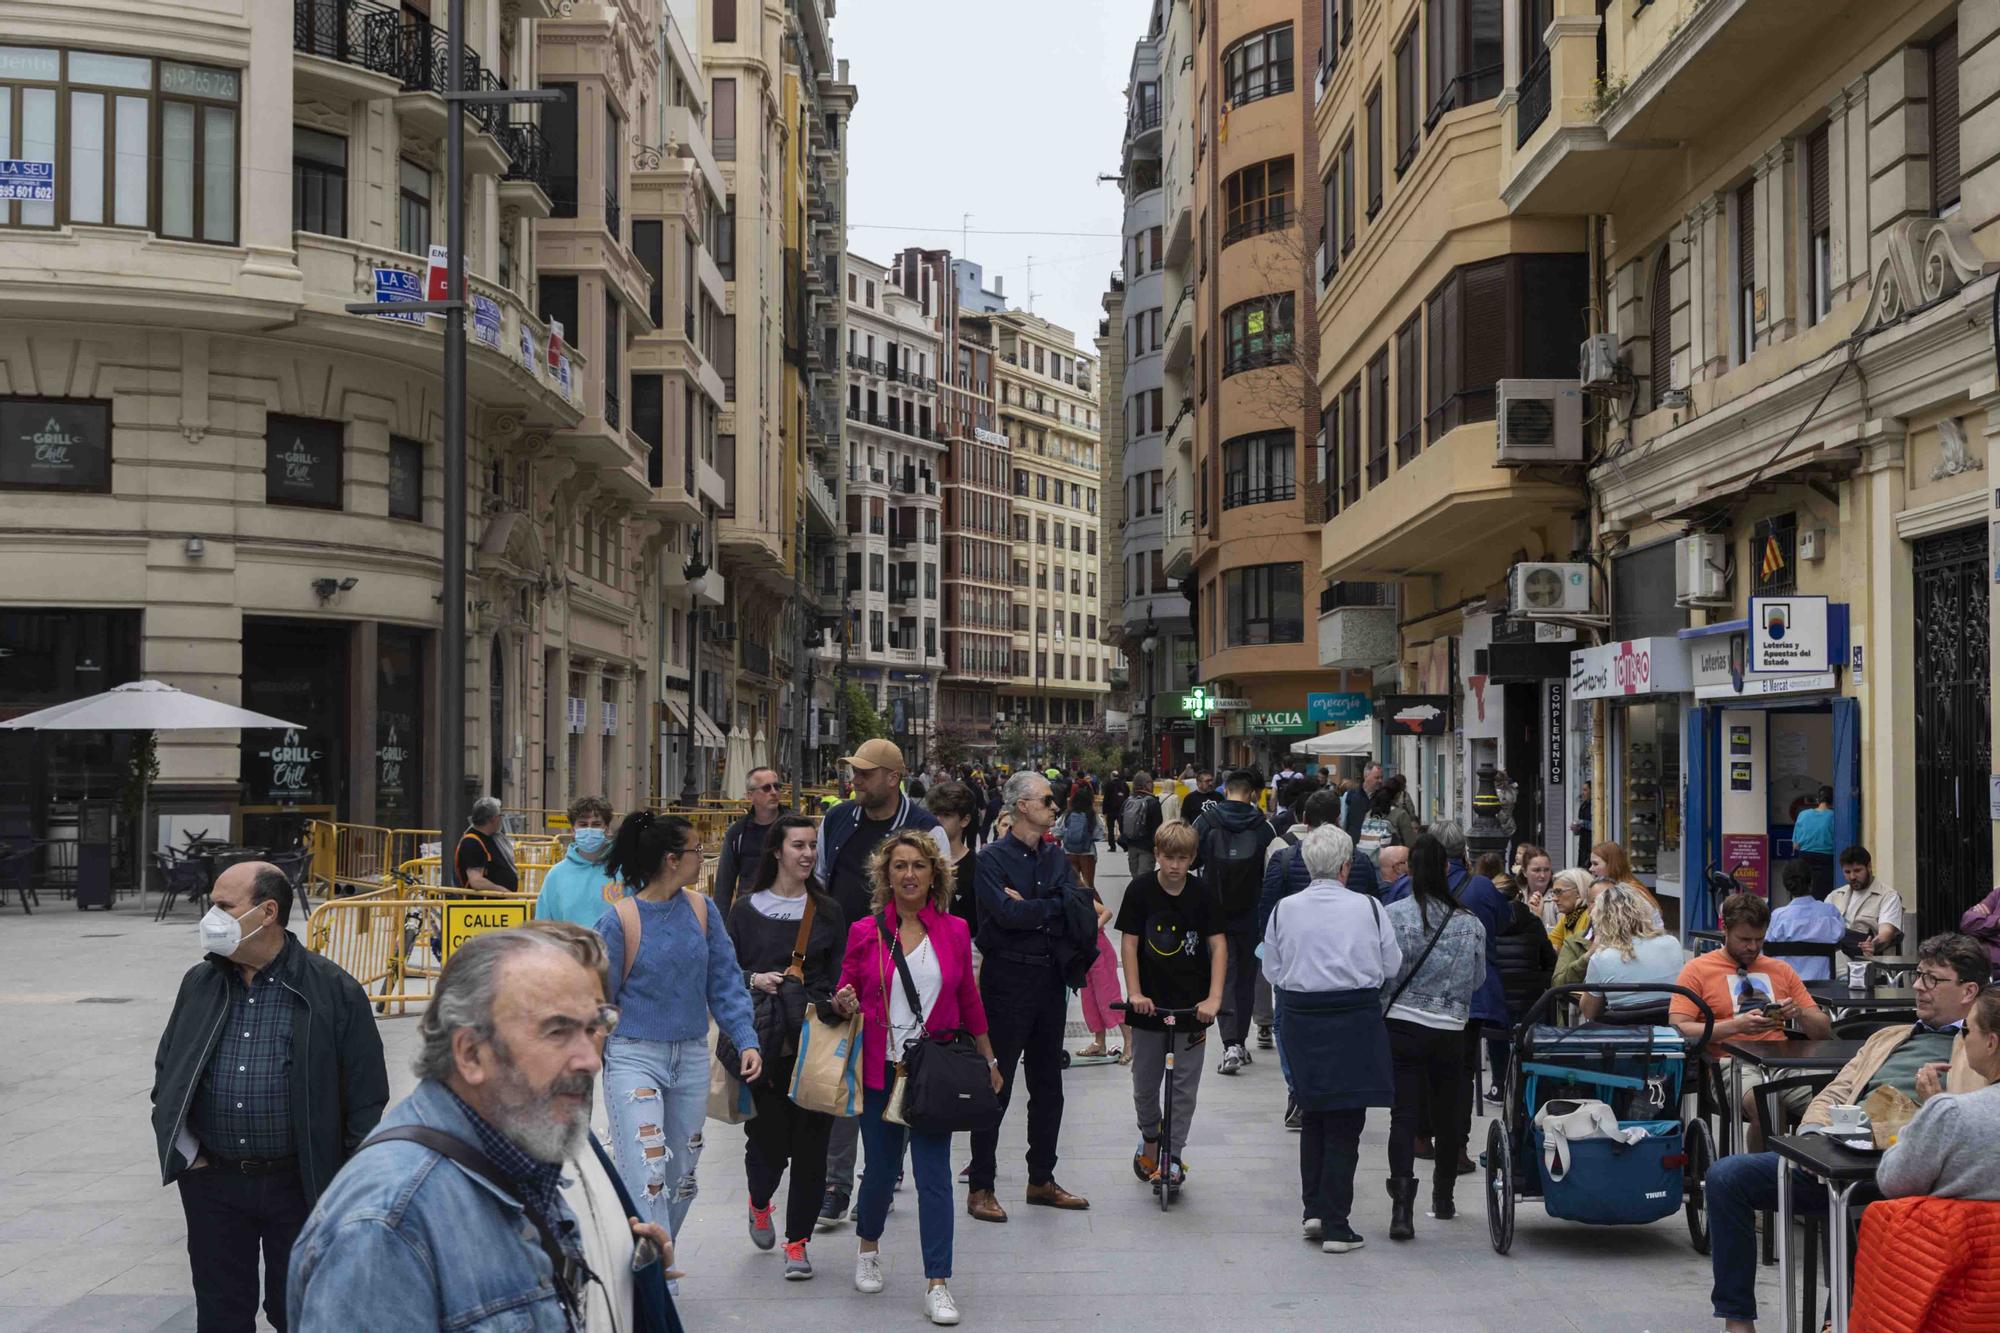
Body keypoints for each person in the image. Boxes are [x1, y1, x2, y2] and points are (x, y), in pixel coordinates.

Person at [288, 922, 673, 1333]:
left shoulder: (527, 1142)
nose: (590, 1060)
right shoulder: (382, 1229)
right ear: (471, 1053)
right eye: (557, 1031)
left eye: (596, 1027)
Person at [1701, 934, 1994, 1331]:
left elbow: (1969, 1122)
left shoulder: (1982, 1047)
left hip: (1908, 1174)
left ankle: (1836, 1322)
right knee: (1726, 1176)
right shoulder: (1887, 1037)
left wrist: (1932, 1106)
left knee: (1867, 1215)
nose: (1919, 987)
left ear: (1968, 990)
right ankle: (1738, 1320)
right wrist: (1814, 1134)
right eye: (1919, 976)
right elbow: (1835, 1091)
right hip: (1837, 1156)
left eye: (1932, 979)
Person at [152, 862, 387, 1333]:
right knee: (221, 1313)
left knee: (298, 1310)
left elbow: (366, 1099)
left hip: (298, 1185)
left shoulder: (333, 990)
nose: (210, 917)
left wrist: (339, 1184)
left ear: (267, 912)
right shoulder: (200, 983)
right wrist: (189, 1156)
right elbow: (168, 1072)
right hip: (214, 1183)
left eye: (223, 906)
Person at [827, 831, 998, 1326]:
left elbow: (969, 999)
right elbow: (846, 987)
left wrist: (988, 1059)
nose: (908, 874)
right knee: (880, 1171)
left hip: (932, 1070)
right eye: (899, 866)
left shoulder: (955, 931)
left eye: (918, 866)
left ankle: (938, 1282)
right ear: (886, 875)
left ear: (933, 874)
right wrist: (844, 1000)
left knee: (935, 1178)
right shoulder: (866, 931)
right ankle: (867, 1248)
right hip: (880, 1069)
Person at [595, 812, 762, 1250]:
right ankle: (660, 1276)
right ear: (672, 859)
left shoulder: (702, 911)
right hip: (633, 1056)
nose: (701, 857)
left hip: (689, 1056)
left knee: (682, 1174)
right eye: (695, 851)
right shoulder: (619, 921)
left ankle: (646, 1251)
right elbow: (595, 1000)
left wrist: (744, 1037)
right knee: (648, 1171)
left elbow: (725, 980)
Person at [812, 738, 948, 1226]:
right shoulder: (838, 820)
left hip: (907, 973)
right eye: (855, 772)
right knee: (846, 1078)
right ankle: (837, 1183)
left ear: (893, 777)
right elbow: (822, 884)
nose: (857, 781)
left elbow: (943, 900)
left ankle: (884, 1173)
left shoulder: (926, 828)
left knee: (898, 1075)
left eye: (866, 774)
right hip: (848, 967)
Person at [1263, 825, 1402, 1254]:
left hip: (1303, 1017)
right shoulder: (1370, 907)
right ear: (1346, 867)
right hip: (1354, 1016)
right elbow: (1391, 965)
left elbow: (1271, 967)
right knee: (1346, 1120)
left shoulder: (1284, 909)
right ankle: (1337, 1224)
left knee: (1314, 1113)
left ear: (1306, 866)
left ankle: (1314, 1210)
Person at [964, 770, 1091, 1222]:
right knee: (996, 1085)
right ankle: (981, 1186)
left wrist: (1035, 909)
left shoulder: (1055, 857)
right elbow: (1002, 916)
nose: (1055, 807)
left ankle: (1042, 1179)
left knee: (1048, 1086)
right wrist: (1046, 909)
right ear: (1021, 806)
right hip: (1007, 982)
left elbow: (1077, 906)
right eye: (1046, 800)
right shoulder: (991, 859)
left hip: (1049, 981)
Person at [726, 814, 848, 1279]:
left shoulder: (828, 910)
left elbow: (840, 974)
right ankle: (760, 1202)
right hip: (763, 1045)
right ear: (777, 851)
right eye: (798, 845)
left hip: (814, 1043)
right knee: (768, 1146)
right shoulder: (744, 910)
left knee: (813, 1149)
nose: (808, 854)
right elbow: (723, 976)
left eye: (813, 845)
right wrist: (753, 979)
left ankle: (797, 1243)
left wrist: (840, 1000)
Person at [1379, 820, 1508, 1172]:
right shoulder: (1478, 897)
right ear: (1453, 860)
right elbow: (1492, 948)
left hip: (1403, 1014)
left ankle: (1405, 1191)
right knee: (1459, 1082)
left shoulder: (1397, 900)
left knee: (1406, 1097)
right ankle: (1452, 1168)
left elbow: (1386, 965)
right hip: (1459, 1012)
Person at [1381, 834, 1487, 1240]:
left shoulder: (1394, 916)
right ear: (1446, 869)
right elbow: (1477, 980)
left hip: (1404, 1026)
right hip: (1449, 1029)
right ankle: (1444, 1198)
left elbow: (1384, 973)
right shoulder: (1470, 923)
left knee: (1403, 1115)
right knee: (1446, 1115)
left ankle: (1401, 1208)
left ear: (1409, 871)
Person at [1671, 891, 1832, 1149]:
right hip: (1730, 1065)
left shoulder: (1780, 970)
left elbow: (1823, 1031)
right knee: (1765, 1103)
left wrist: (1799, 1014)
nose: (1753, 947)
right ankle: (1761, 1176)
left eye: (1759, 939)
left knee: (1833, 1103)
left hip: (1782, 1060)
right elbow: (1679, 1028)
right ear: (1725, 929)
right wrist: (1735, 1026)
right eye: (1744, 939)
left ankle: (1809, 1175)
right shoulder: (1697, 969)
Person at [1116, 820, 1224, 1191]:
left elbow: (1218, 946)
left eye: (1182, 858)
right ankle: (1151, 1135)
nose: (1175, 865)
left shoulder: (1203, 894)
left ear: (1193, 858)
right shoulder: (1140, 891)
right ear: (1157, 855)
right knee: (1145, 1085)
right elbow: (1129, 943)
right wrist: (1134, 992)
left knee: (1183, 1088)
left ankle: (1173, 1155)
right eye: (1168, 857)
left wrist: (1213, 998)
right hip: (1148, 1009)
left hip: (1191, 1009)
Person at [1877, 983, 2000, 1199]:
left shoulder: (1949, 1112)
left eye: (1966, 1030)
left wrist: (1931, 1112)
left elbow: (1893, 1182)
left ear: (1991, 1043)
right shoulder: (1950, 1111)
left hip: (1956, 1231)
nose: (1963, 1038)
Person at [1193, 768, 1279, 1075]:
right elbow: (1271, 873)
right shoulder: (1264, 828)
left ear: (1224, 790)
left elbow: (1192, 861)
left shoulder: (1206, 822)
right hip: (1251, 913)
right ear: (1253, 794)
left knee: (1223, 975)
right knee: (1245, 977)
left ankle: (1229, 1043)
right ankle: (1240, 1042)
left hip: (1213, 911)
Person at [1487, 867, 1556, 1096]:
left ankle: (1499, 1084)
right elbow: (1549, 961)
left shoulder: (1487, 923)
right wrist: (1537, 981)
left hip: (1498, 996)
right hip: (1530, 997)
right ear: (1519, 894)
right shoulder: (1533, 923)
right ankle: (1529, 1085)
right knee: (1529, 1041)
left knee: (1496, 1039)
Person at [1578, 883, 1686, 1020]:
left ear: (1602, 919)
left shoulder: (1601, 958)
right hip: (1669, 1029)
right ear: (1644, 911)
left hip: (1624, 1035)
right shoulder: (1672, 943)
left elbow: (1589, 1012)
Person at [533, 795, 618, 927]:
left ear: (606, 829)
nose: (589, 829)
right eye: (583, 825)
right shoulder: (556, 875)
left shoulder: (624, 870)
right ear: (573, 830)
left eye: (596, 824)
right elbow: (543, 927)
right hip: (570, 948)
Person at [714, 766, 786, 915]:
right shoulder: (737, 833)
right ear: (750, 796)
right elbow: (724, 885)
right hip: (750, 914)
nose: (774, 792)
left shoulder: (793, 827)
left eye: (777, 786)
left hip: (787, 911)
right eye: (766, 788)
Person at [1763, 858, 1847, 981]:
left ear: (1786, 886)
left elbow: (1768, 946)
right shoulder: (1830, 913)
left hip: (1786, 988)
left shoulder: (1777, 917)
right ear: (1811, 882)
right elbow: (1840, 937)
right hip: (1824, 990)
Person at [924, 781, 982, 931]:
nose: (937, 820)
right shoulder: (918, 862)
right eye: (934, 813)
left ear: (965, 820)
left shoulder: (978, 867)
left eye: (947, 815)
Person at [1827, 844, 1904, 955]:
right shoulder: (1835, 896)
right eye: (1847, 872)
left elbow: (1886, 932)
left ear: (1869, 867)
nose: (1852, 877)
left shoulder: (1888, 896)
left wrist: (1873, 945)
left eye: (1857, 871)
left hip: (1868, 959)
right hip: (1836, 956)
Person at [1588, 842, 1664, 926]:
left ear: (1612, 864)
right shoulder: (1623, 887)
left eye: (1595, 864)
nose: (1591, 868)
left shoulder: (1630, 892)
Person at [456, 794, 519, 894]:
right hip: (486, 906)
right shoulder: (472, 843)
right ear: (493, 819)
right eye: (500, 815)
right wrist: (503, 892)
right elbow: (476, 881)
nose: (501, 819)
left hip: (501, 904)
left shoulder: (491, 837)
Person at [1790, 784, 1837, 898]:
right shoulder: (1835, 816)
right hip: (1827, 860)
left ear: (1817, 800)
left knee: (1804, 894)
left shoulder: (1803, 815)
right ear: (1833, 800)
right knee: (1824, 896)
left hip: (1805, 858)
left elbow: (1795, 845)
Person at [1121, 768, 1165, 881]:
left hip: (1131, 845)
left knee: (1135, 877)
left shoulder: (1128, 801)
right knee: (1145, 879)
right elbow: (1157, 827)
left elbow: (1121, 820)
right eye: (1151, 782)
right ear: (1146, 785)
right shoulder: (1153, 802)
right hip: (1147, 847)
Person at [1058, 785, 1104, 888]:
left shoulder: (1067, 814)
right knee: (1089, 885)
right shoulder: (1091, 815)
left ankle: (1075, 903)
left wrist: (1067, 837)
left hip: (1068, 852)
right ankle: (1095, 904)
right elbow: (1099, 834)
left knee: (1073, 885)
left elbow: (1056, 830)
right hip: (1087, 853)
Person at [1547, 868, 1592, 946]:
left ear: (1578, 892)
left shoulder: (1589, 915)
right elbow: (1549, 946)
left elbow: (1579, 951)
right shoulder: (1568, 918)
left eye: (1558, 892)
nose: (1554, 898)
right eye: (1553, 892)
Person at [1341, 762, 1382, 841]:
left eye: (1381, 777)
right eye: (1377, 778)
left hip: (1376, 845)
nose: (1380, 781)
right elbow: (1343, 822)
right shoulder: (1350, 795)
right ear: (1366, 776)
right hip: (1354, 844)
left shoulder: (1383, 797)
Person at [1961, 885, 2000, 966]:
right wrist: (1997, 922)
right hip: (1979, 962)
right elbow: (1967, 923)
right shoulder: (1998, 894)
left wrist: (1986, 928)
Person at [1102, 769, 1129, 852]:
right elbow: (1128, 797)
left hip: (1111, 810)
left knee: (1111, 829)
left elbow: (1106, 798)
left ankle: (1112, 846)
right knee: (1122, 828)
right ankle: (1125, 845)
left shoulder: (1109, 784)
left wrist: (1104, 811)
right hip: (1121, 810)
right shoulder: (1124, 784)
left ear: (1112, 776)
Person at [1571, 778, 1593, 867]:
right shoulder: (1583, 806)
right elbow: (1580, 829)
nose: (1583, 793)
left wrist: (1582, 822)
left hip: (1592, 845)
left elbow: (1596, 826)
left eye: (1585, 790)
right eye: (1582, 790)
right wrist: (1576, 829)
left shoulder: (1596, 806)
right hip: (1583, 845)